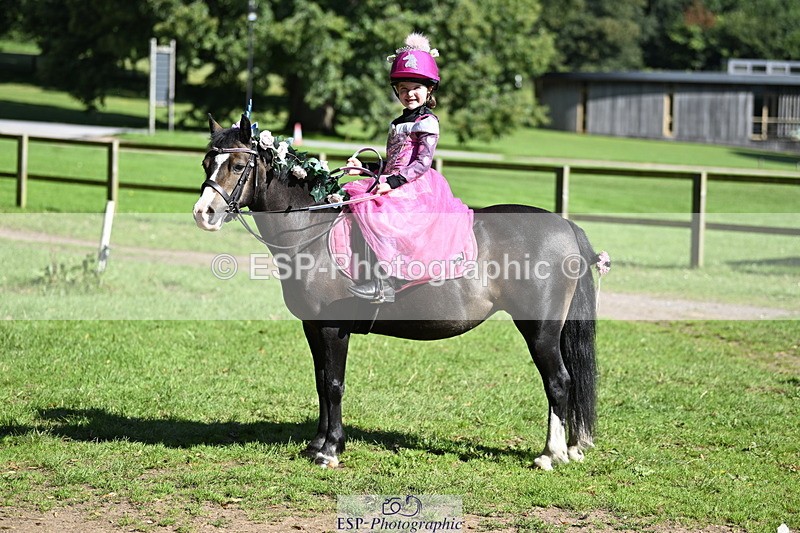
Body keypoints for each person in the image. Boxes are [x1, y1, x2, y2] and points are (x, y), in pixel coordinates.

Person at [343, 33, 476, 303]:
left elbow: (421, 163)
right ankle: (357, 269)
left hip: (416, 185)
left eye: (415, 88)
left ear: (429, 90)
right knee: (353, 203)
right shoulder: (397, 122)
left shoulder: (427, 122)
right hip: (394, 177)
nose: (408, 94)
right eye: (402, 89)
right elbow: (393, 160)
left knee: (380, 213)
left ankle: (387, 283)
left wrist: (391, 183)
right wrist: (365, 167)